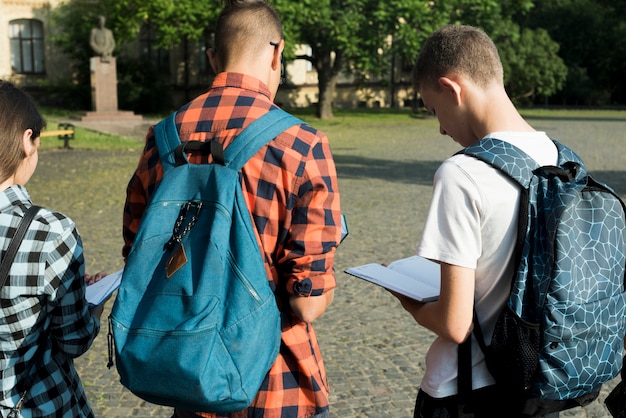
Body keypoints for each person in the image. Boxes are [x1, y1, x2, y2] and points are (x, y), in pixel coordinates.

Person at [121, 1, 341, 417]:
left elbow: (141, 256)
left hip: (189, 378)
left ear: (211, 58)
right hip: (278, 384)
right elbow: (306, 304)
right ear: (278, 54)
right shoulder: (303, 145)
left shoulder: (163, 138)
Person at [392, 25, 560, 418]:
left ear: (453, 89)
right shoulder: (559, 158)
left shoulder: (462, 173)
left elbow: (455, 324)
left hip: (467, 391)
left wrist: (410, 303)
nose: (440, 128)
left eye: (435, 111)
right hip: (538, 386)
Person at [0, 80, 108, 417]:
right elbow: (73, 339)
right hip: (38, 404)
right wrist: (92, 310)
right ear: (25, 140)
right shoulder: (49, 232)